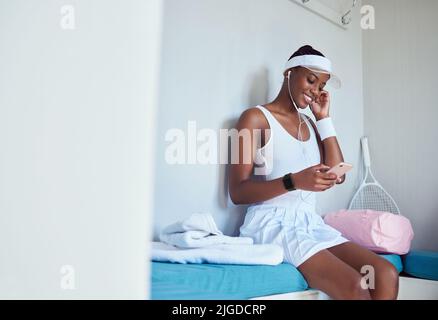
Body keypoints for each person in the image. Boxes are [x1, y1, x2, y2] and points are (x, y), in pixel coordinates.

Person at [228, 45, 399, 300]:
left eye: (321, 85)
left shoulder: (309, 123)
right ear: (289, 72)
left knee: (386, 274)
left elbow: (337, 174)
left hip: (310, 223)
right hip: (272, 224)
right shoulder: (254, 118)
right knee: (356, 285)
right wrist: (294, 181)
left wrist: (323, 119)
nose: (315, 91)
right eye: (311, 80)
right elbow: (237, 192)